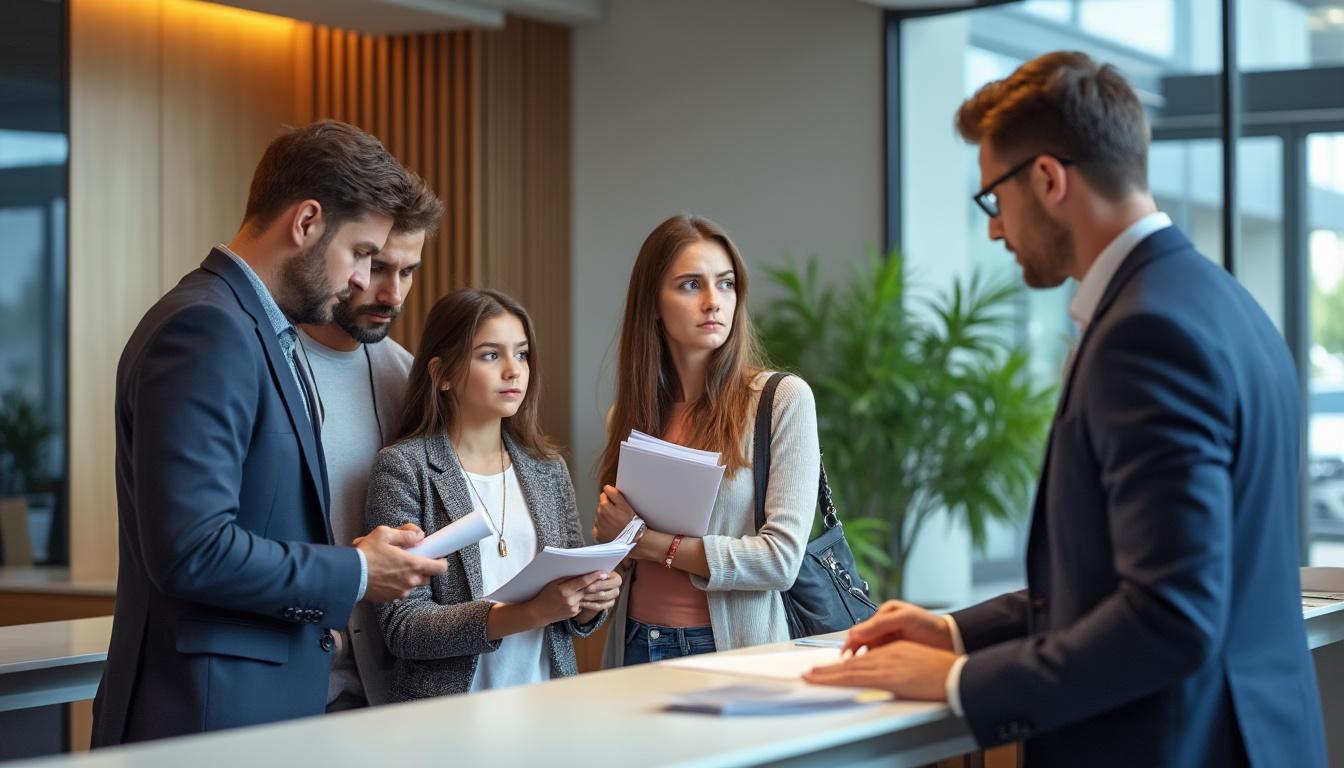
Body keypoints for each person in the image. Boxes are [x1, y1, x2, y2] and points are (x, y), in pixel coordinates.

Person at [804, 51, 1328, 767]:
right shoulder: (1225, 303)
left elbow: (1171, 616)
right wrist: (956, 633)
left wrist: (957, 681)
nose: (994, 230)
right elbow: (1126, 575)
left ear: (1047, 179)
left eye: (993, 199)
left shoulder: (1147, 333)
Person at [92, 120, 449, 746]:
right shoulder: (208, 328)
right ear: (306, 222)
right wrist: (357, 571)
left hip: (251, 710)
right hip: (208, 717)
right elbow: (193, 550)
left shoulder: (248, 326)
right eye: (363, 253)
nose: (366, 281)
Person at [365, 288, 620, 698]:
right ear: (441, 374)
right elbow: (404, 627)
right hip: (448, 716)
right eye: (490, 355)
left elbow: (571, 612)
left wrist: (591, 600)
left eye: (521, 354)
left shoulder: (548, 469)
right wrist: (529, 613)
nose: (513, 370)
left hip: (548, 705)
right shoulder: (403, 468)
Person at [592, 214, 820, 666]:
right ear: (653, 303)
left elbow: (781, 560)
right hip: (634, 641)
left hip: (725, 648)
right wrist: (609, 547)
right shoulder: (628, 415)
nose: (714, 302)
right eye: (691, 285)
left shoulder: (781, 401)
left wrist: (651, 543)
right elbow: (622, 553)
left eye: (727, 284)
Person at [296, 179, 444, 710]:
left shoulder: (405, 378)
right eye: (377, 266)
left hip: (387, 691)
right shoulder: (272, 368)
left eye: (408, 272)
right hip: (296, 683)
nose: (394, 294)